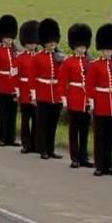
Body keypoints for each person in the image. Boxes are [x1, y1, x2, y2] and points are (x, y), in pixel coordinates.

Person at [87, 23, 112, 177]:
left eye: (110, 49)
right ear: (101, 49)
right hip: (100, 103)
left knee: (110, 137)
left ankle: (109, 165)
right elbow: (90, 86)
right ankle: (99, 165)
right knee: (100, 136)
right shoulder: (95, 65)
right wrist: (92, 104)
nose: (108, 52)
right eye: (106, 49)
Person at [58, 23, 94, 168]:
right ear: (74, 46)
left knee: (85, 131)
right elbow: (62, 82)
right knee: (74, 130)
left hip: (86, 99)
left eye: (84, 46)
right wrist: (64, 99)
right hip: (74, 98)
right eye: (79, 46)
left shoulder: (90, 62)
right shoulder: (68, 62)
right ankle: (74, 158)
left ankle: (84, 157)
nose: (82, 48)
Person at [32, 18, 66, 160]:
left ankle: (51, 149)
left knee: (52, 124)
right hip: (43, 94)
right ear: (44, 42)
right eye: (50, 41)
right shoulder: (37, 58)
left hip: (56, 94)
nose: (53, 44)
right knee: (43, 124)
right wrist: (33, 95)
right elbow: (33, 78)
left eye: (54, 41)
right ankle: (43, 149)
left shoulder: (60, 57)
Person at [0, 14, 19, 147]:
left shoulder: (15, 52)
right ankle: (2, 138)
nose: (9, 40)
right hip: (2, 85)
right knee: (3, 113)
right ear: (2, 38)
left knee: (12, 113)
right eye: (7, 38)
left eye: (11, 38)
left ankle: (11, 138)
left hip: (13, 87)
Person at [17, 20, 40, 154]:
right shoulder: (20, 58)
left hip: (36, 91)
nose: (32, 45)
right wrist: (17, 92)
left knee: (36, 120)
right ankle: (26, 144)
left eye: (34, 42)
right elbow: (15, 76)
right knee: (26, 120)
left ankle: (36, 144)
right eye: (30, 42)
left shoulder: (38, 57)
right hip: (24, 91)